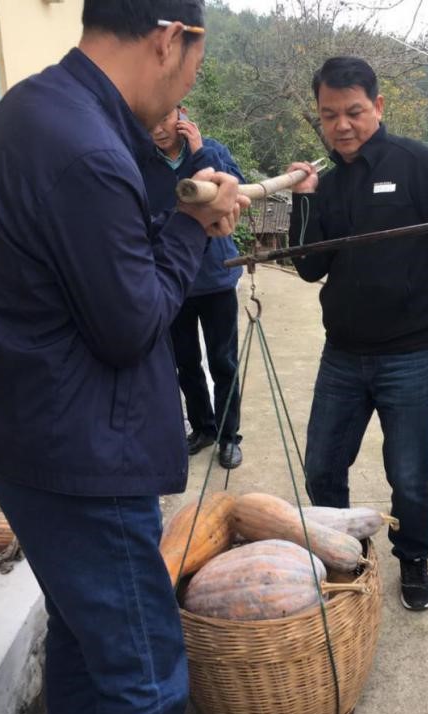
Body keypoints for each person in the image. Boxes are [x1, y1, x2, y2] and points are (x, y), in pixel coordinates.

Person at [0, 2, 247, 714]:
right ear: (170, 40)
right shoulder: (88, 151)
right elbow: (132, 323)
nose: (188, 87)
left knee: (84, 639)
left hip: (25, 429)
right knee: (146, 675)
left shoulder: (34, 106)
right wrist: (192, 227)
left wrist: (176, 201)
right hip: (80, 451)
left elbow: (98, 247)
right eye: (195, 65)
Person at [286, 56, 428, 612]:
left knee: (409, 476)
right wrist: (304, 198)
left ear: (377, 106)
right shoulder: (327, 185)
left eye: (353, 111)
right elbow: (309, 267)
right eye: (330, 114)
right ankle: (344, 553)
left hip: (409, 356)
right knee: (322, 467)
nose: (342, 125)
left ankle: (414, 560)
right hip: (342, 356)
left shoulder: (418, 164)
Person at [143, 105, 246, 470]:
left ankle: (229, 436)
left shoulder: (211, 150)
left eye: (165, 118)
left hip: (217, 276)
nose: (158, 129)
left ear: (182, 115)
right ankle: (203, 428)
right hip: (173, 279)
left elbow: (235, 190)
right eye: (152, 122)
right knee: (185, 362)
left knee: (223, 361)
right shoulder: (142, 162)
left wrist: (200, 152)